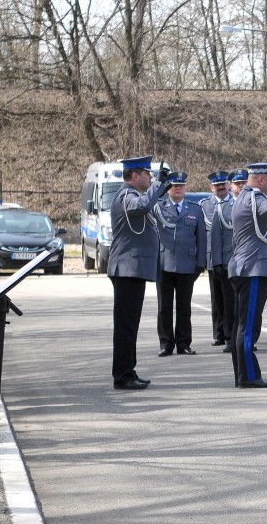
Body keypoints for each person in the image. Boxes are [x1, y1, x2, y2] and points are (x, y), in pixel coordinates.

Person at [108, 155, 170, 390]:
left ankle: (128, 370)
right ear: (135, 175)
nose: (150, 177)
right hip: (126, 270)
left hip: (132, 270)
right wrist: (159, 186)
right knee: (125, 326)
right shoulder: (127, 196)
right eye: (147, 173)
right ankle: (122, 376)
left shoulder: (133, 195)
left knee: (130, 325)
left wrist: (159, 187)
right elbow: (142, 206)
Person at [228, 162, 267, 388]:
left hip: (250, 267)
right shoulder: (253, 198)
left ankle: (243, 375)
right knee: (248, 326)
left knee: (243, 324)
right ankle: (249, 376)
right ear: (262, 180)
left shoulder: (248, 197)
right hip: (253, 268)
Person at [153, 171, 206, 356]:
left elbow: (201, 238)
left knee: (184, 307)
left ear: (185, 188)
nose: (178, 189)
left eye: (181, 186)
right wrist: (158, 184)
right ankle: (166, 344)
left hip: (186, 265)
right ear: (168, 189)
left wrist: (201, 262)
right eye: (174, 186)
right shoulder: (159, 207)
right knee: (164, 307)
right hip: (164, 264)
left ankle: (183, 343)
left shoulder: (195, 209)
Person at [200, 170, 235, 350]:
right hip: (211, 259)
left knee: (229, 299)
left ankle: (229, 334)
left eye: (223, 185)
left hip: (229, 260)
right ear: (211, 187)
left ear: (228, 186)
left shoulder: (234, 204)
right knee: (216, 299)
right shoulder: (204, 206)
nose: (221, 188)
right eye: (217, 186)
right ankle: (218, 333)